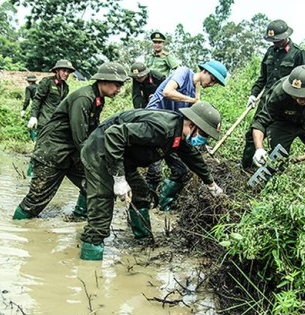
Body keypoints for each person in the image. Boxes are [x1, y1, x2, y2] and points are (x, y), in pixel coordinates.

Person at [79, 101, 224, 260]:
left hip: (124, 158)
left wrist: (211, 184)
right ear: (192, 124)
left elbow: (193, 158)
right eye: (204, 135)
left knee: (141, 195)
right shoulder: (162, 128)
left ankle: (143, 243)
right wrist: (119, 178)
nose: (204, 140)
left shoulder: (178, 133)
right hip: (101, 151)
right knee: (102, 208)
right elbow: (114, 134)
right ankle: (90, 259)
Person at [12, 62, 129, 220]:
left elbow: (92, 132)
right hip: (52, 152)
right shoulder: (84, 98)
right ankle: (17, 226)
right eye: (117, 85)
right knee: (35, 200)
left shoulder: (97, 99)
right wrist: (96, 160)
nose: (119, 90)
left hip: (71, 152)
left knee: (93, 183)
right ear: (104, 81)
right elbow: (80, 138)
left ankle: (78, 217)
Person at [145, 60, 227, 210]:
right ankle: (143, 204)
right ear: (205, 72)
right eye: (213, 80)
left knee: (180, 170)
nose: (211, 85)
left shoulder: (196, 89)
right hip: (154, 124)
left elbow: (195, 119)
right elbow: (167, 92)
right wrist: (193, 100)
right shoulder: (184, 72)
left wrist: (212, 125)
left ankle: (163, 208)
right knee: (154, 169)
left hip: (172, 133)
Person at [241, 19, 305, 171]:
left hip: (286, 103)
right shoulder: (270, 53)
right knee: (253, 132)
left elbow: (304, 81)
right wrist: (253, 94)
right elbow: (262, 78)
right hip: (266, 101)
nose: (274, 43)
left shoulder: (298, 53)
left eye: (277, 40)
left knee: (276, 137)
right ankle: (246, 168)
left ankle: (275, 171)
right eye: (272, 41)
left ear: (285, 36)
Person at [25, 60, 74, 176]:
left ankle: (45, 172)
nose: (66, 74)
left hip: (56, 123)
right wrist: (33, 117)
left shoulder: (65, 87)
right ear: (57, 71)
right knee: (39, 148)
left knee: (52, 150)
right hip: (44, 122)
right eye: (64, 71)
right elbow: (37, 100)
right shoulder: (47, 82)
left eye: (68, 72)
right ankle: (31, 174)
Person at [20, 74, 39, 140]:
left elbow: (27, 100)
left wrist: (23, 109)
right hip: (43, 107)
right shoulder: (39, 86)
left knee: (33, 125)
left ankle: (34, 139)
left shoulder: (29, 88)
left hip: (35, 107)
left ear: (28, 81)